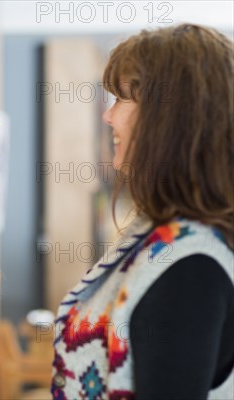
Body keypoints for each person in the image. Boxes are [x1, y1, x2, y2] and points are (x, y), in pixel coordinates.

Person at [51, 24, 234, 399]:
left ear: (169, 119)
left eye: (122, 99)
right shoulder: (165, 238)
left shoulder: (191, 266)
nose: (109, 116)